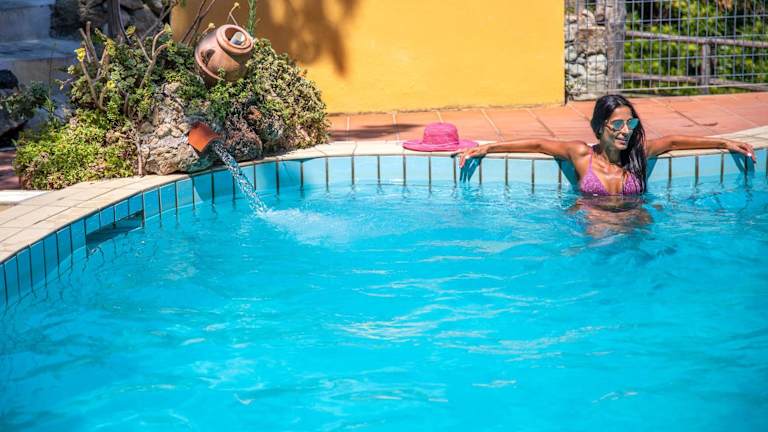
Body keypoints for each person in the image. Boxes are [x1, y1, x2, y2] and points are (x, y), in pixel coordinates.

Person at [455, 94, 757, 196]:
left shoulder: (638, 154)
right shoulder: (581, 154)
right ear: (600, 128)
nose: (626, 131)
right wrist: (488, 148)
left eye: (631, 124)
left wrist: (725, 142)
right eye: (618, 125)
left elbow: (673, 141)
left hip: (633, 219)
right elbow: (538, 145)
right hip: (592, 220)